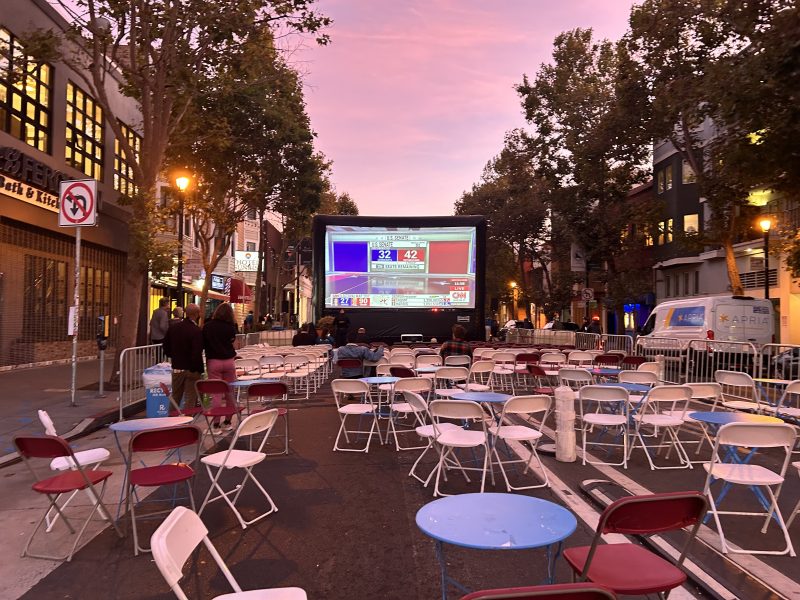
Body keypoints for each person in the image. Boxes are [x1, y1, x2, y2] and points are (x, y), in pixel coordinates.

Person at [203, 302, 238, 432]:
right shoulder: (230, 327)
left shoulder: (207, 327)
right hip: (229, 361)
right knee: (230, 392)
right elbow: (232, 342)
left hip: (214, 361)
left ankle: (216, 424)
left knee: (216, 394)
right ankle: (228, 421)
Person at [163, 303, 203, 409]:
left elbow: (166, 346)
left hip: (177, 366)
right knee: (190, 399)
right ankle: (188, 421)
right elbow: (197, 351)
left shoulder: (174, 328)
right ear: (197, 314)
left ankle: (172, 421)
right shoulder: (196, 330)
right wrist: (195, 368)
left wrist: (174, 356)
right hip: (191, 369)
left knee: (175, 397)